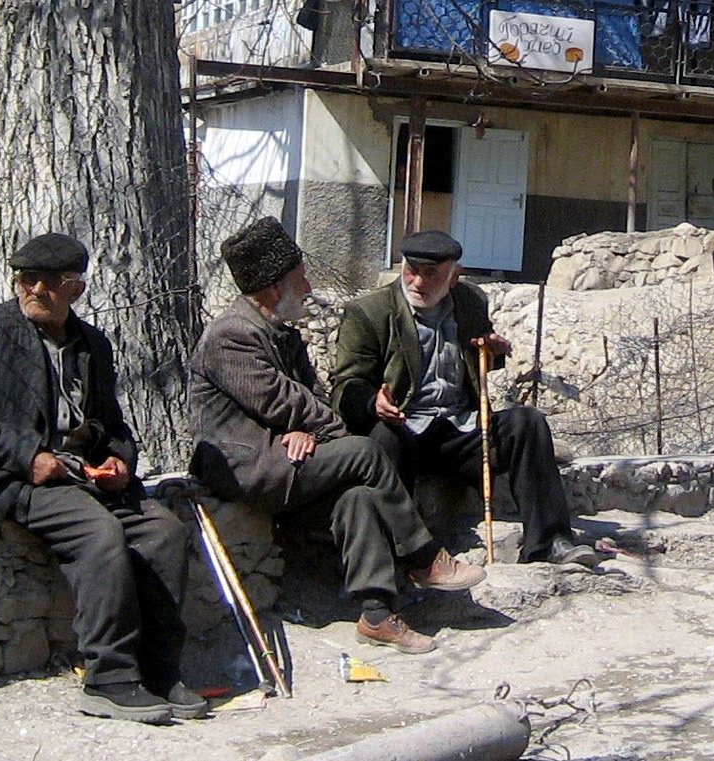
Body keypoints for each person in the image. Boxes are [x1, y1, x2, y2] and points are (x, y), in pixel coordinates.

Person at [189, 216, 485, 655]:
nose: (307, 288)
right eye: (300, 280)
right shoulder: (233, 335)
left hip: (284, 459)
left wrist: (306, 428)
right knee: (365, 452)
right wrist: (324, 430)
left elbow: (308, 397)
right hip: (244, 468)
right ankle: (423, 558)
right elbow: (282, 401)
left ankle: (377, 614)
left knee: (359, 498)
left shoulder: (278, 333)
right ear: (273, 289)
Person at [0, 233, 203, 725]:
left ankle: (159, 670)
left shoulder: (92, 345)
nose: (33, 289)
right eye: (25, 279)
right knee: (98, 533)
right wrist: (30, 457)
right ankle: (109, 678)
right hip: (9, 477)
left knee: (164, 532)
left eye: (47, 282)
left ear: (75, 289)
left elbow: (115, 426)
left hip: (80, 475)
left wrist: (118, 461)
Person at [328, 229, 601, 567]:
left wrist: (493, 352)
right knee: (383, 439)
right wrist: (373, 403)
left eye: (431, 274)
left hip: (461, 430)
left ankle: (549, 542)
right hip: (406, 429)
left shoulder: (471, 304)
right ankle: (394, 557)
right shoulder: (369, 312)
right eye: (411, 270)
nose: (418, 282)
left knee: (527, 423)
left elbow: (474, 356)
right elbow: (346, 385)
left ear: (453, 277)